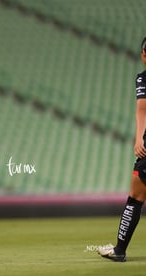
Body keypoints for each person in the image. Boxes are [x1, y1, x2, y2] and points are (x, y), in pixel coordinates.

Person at [97, 37, 146, 262]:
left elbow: (142, 110)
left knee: (135, 198)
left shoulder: (143, 79)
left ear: (144, 55)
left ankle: (119, 251)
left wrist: (139, 139)